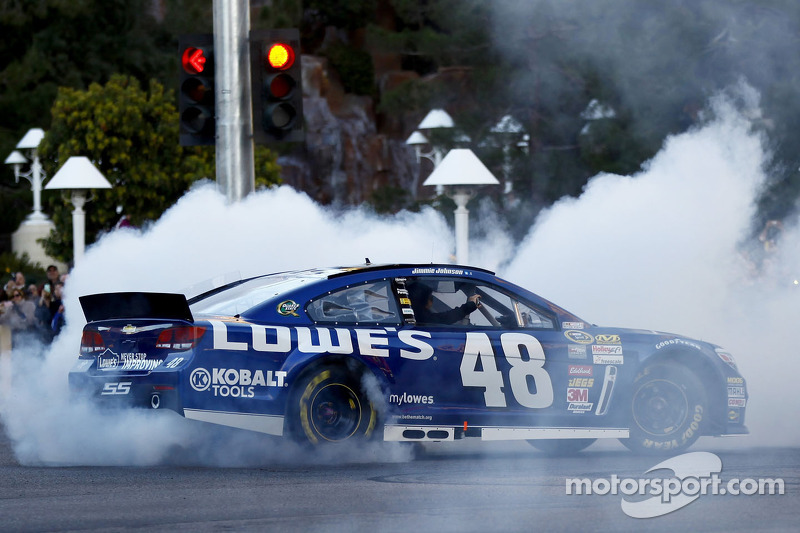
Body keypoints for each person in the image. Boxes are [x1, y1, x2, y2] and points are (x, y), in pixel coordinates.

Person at [408, 282, 481, 325]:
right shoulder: (424, 321)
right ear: (425, 302)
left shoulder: (408, 318)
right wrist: (469, 306)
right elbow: (445, 318)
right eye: (431, 297)